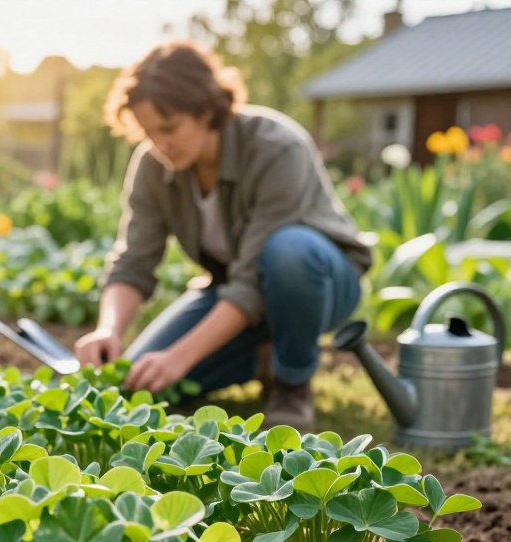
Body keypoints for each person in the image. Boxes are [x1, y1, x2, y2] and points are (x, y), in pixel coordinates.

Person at [74, 41, 371, 433]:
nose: (160, 144)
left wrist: (180, 356)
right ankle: (261, 355)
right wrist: (108, 329)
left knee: (289, 252)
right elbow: (133, 262)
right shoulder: (152, 165)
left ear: (205, 109)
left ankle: (292, 383)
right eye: (148, 132)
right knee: (140, 383)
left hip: (318, 283)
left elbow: (254, 281)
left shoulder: (276, 147)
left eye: (169, 128)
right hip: (234, 291)